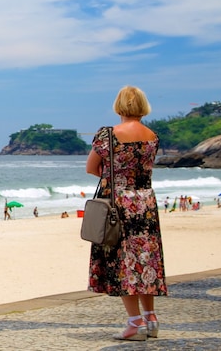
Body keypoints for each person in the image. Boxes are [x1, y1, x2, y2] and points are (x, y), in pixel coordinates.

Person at [86, 85, 167, 341]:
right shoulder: (152, 136)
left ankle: (135, 323)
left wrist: (116, 180)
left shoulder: (109, 134)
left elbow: (92, 168)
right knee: (146, 259)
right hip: (146, 202)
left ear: (119, 106)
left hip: (119, 204)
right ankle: (151, 317)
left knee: (124, 263)